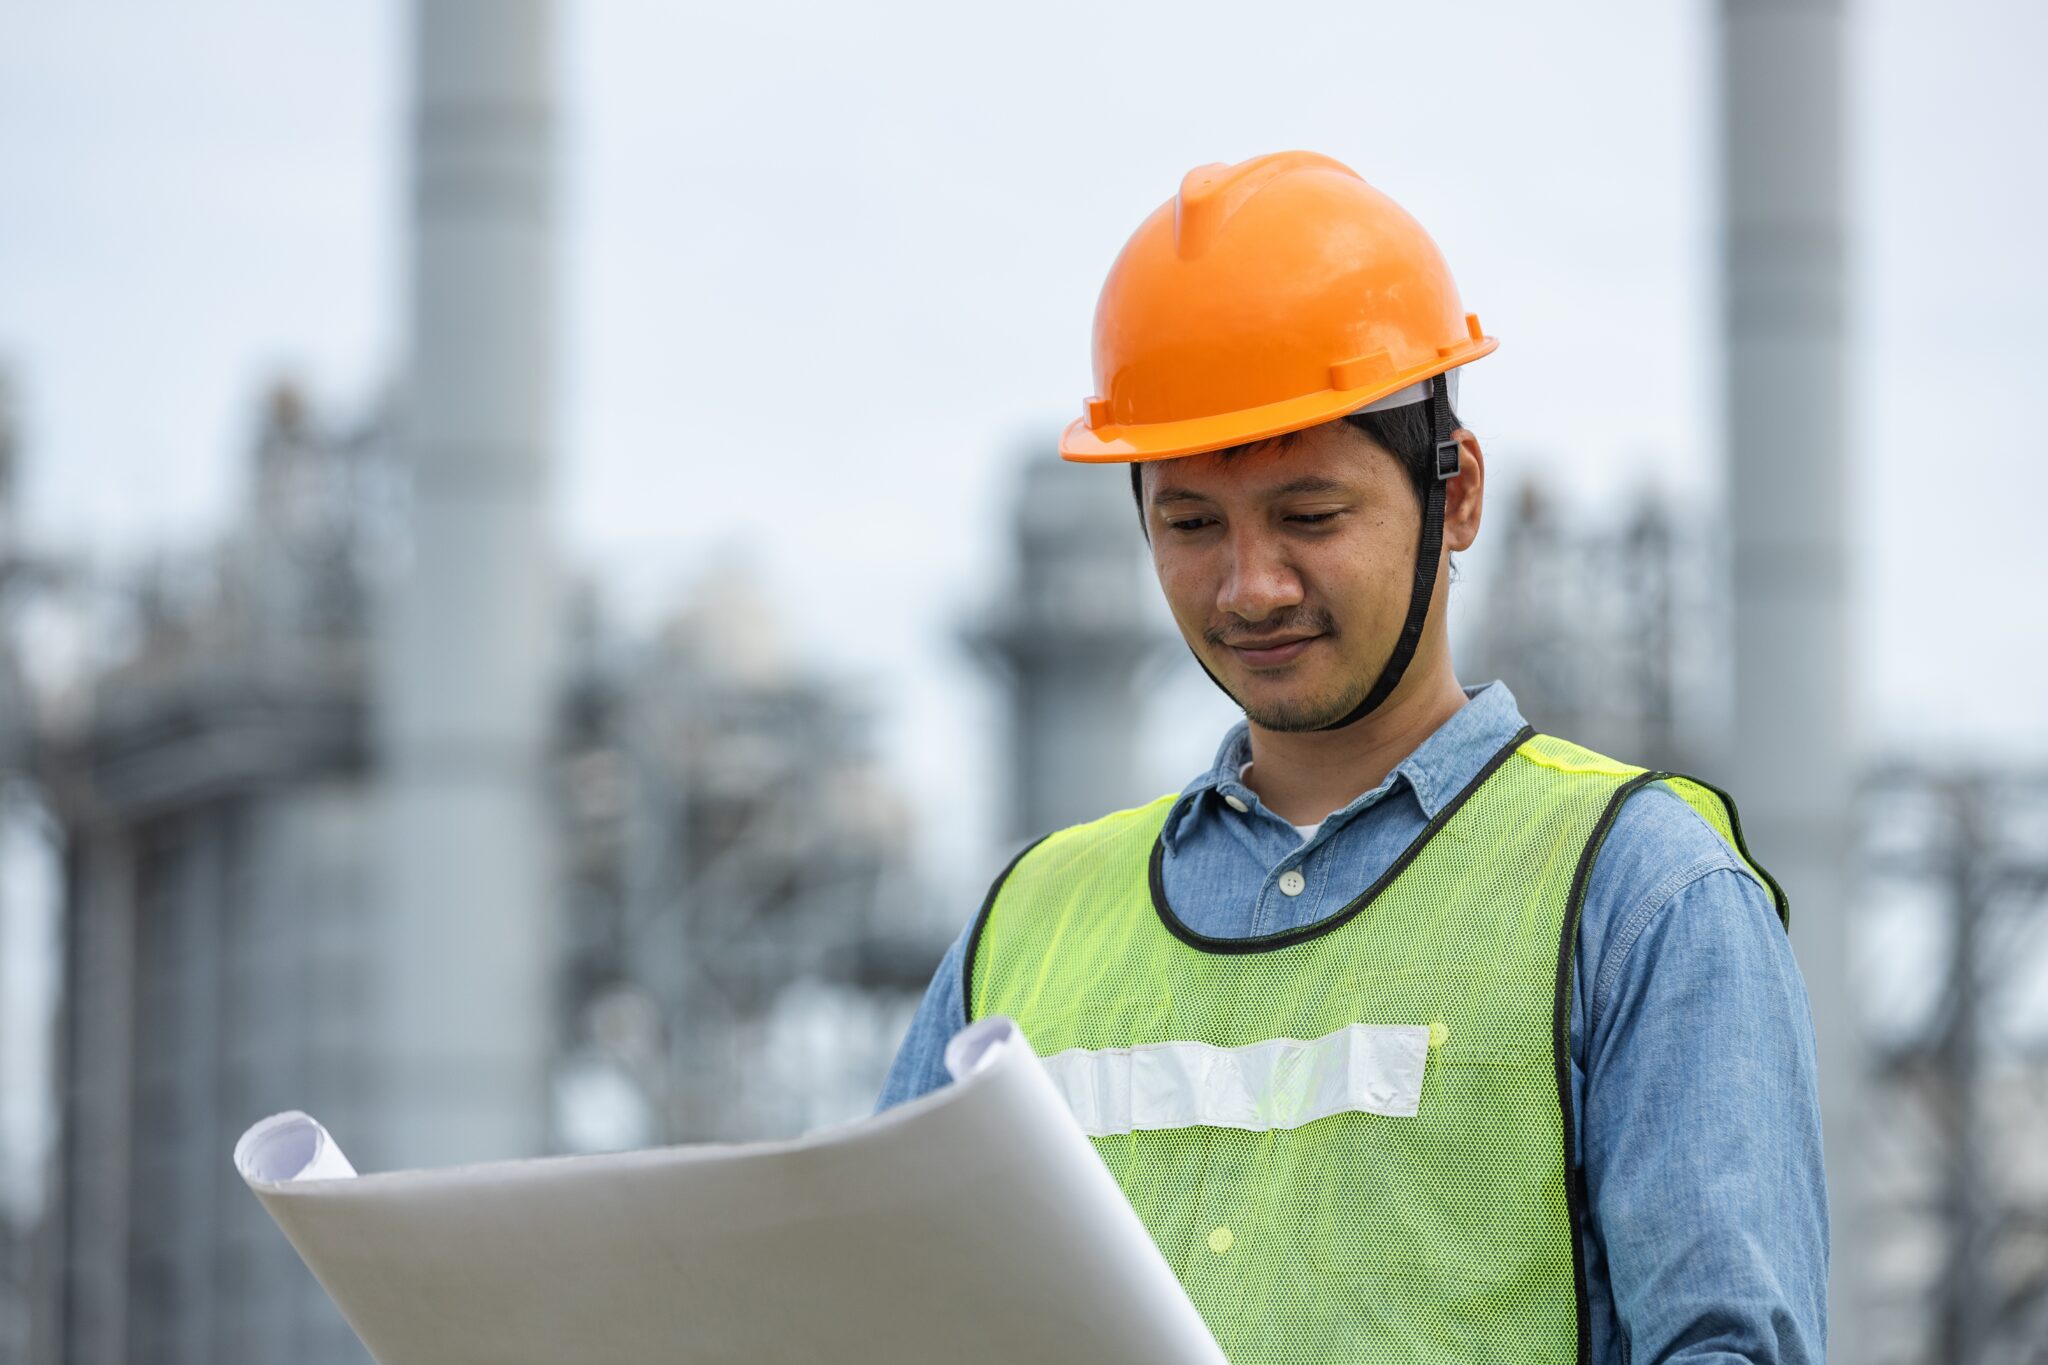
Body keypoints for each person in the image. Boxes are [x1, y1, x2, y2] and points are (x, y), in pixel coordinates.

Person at [878, 151, 1826, 1363]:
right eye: (1189, 525)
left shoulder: (1639, 895)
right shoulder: (1027, 926)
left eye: (1310, 515)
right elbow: (875, 1311)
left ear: (1457, 493)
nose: (1250, 585)